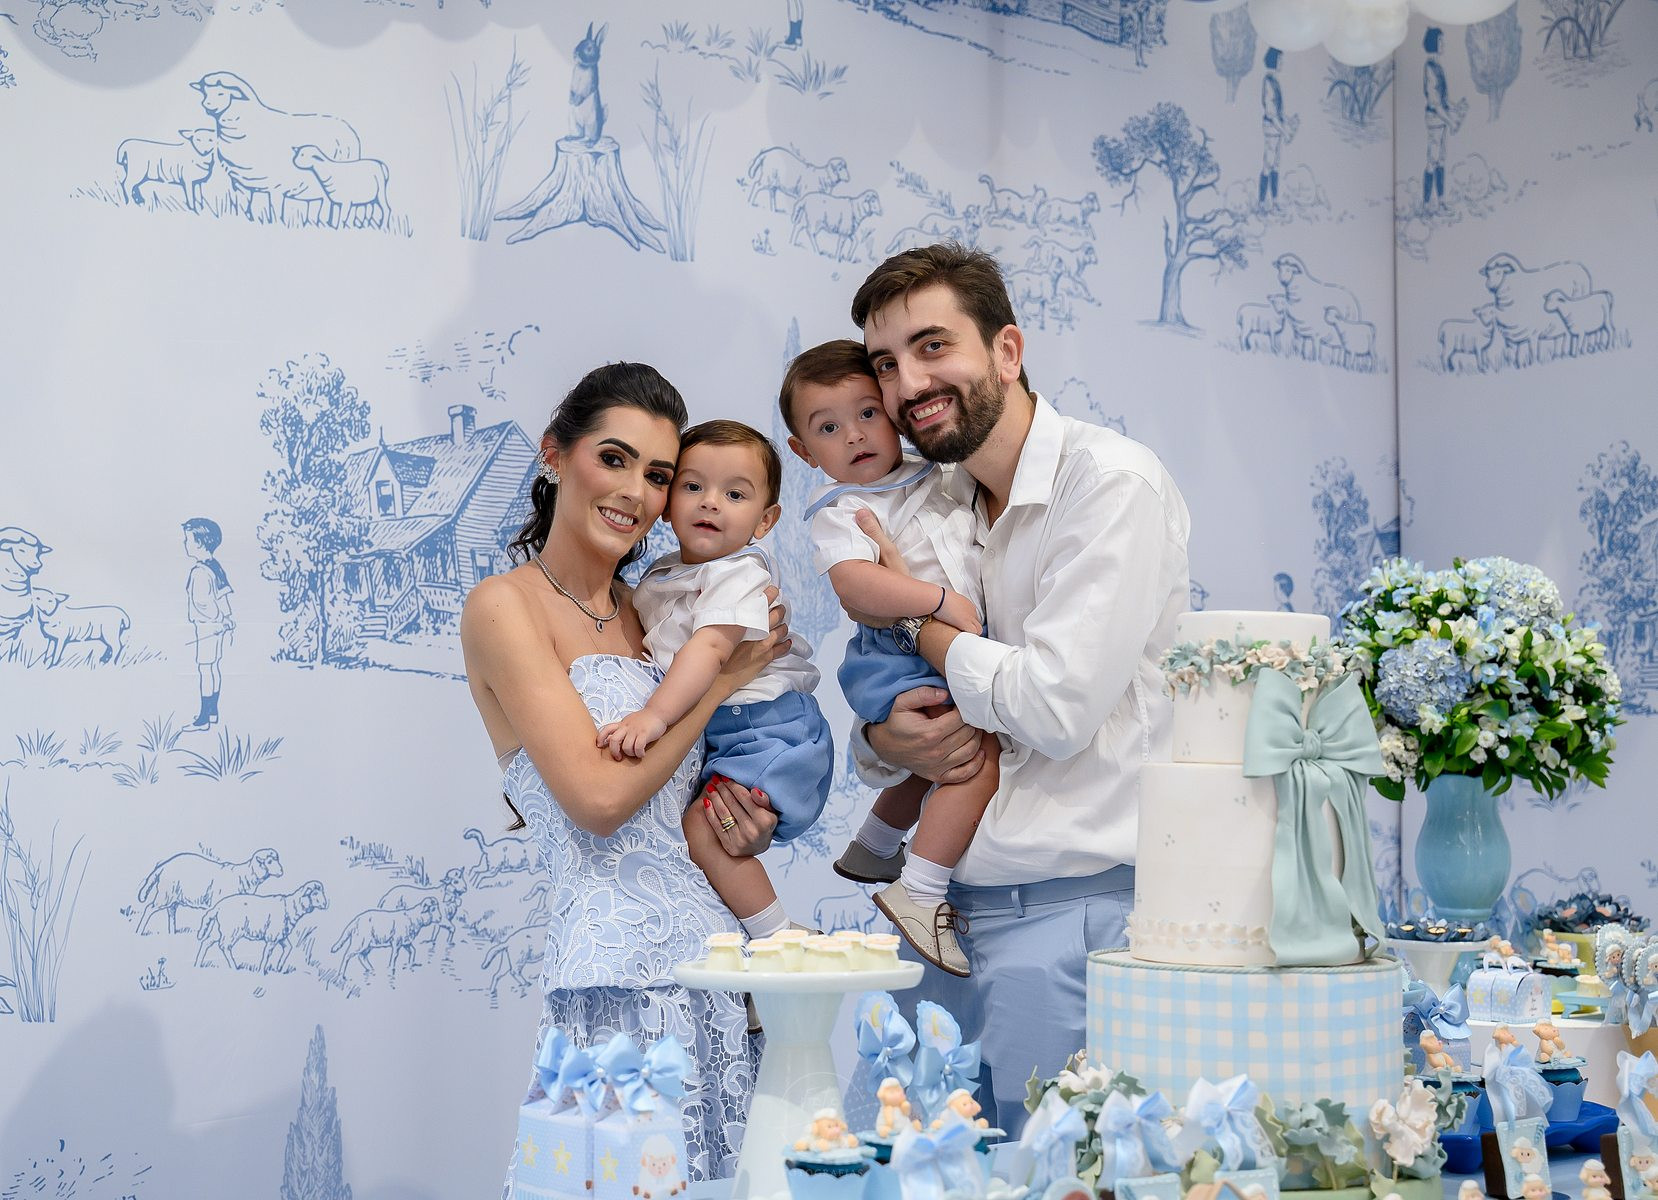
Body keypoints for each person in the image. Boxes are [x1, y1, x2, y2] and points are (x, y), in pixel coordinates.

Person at [846, 244, 1191, 1132]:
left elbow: (1054, 708)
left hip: (1070, 919)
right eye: (885, 364)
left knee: (1052, 1176)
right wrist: (884, 738)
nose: (908, 384)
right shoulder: (928, 502)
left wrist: (920, 624)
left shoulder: (1109, 484)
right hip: (940, 912)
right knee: (884, 1173)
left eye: (932, 346)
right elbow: (894, 706)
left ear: (1006, 350)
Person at [460, 363, 788, 1187]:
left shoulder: (657, 608)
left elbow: (687, 792)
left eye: (659, 475)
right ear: (554, 455)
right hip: (616, 985)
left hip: (722, 977)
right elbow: (600, 800)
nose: (636, 493)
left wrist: (745, 820)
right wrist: (717, 687)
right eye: (614, 459)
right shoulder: (505, 606)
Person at [779, 339, 998, 978]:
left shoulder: (934, 474)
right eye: (828, 428)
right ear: (804, 452)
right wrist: (939, 601)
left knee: (930, 761)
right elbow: (855, 586)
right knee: (974, 761)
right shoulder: (843, 509)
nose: (854, 435)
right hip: (897, 654)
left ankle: (874, 846)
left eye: (868, 413)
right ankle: (921, 892)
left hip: (933, 652)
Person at [600, 418, 832, 948]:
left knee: (703, 830)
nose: (710, 502)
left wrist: (653, 716)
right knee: (702, 835)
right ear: (667, 501)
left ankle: (776, 938)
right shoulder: (664, 574)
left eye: (734, 494)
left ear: (765, 520)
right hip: (731, 728)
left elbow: (708, 651)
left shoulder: (738, 573)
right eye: (693, 486)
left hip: (770, 728)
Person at [182, 517, 235, 731]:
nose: (185, 544)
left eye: (187, 539)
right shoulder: (215, 566)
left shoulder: (199, 572)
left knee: (205, 669)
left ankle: (203, 718)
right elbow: (223, 596)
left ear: (200, 543)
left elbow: (202, 603)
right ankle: (213, 712)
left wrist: (217, 619)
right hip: (217, 627)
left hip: (206, 627)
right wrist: (227, 617)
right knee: (213, 668)